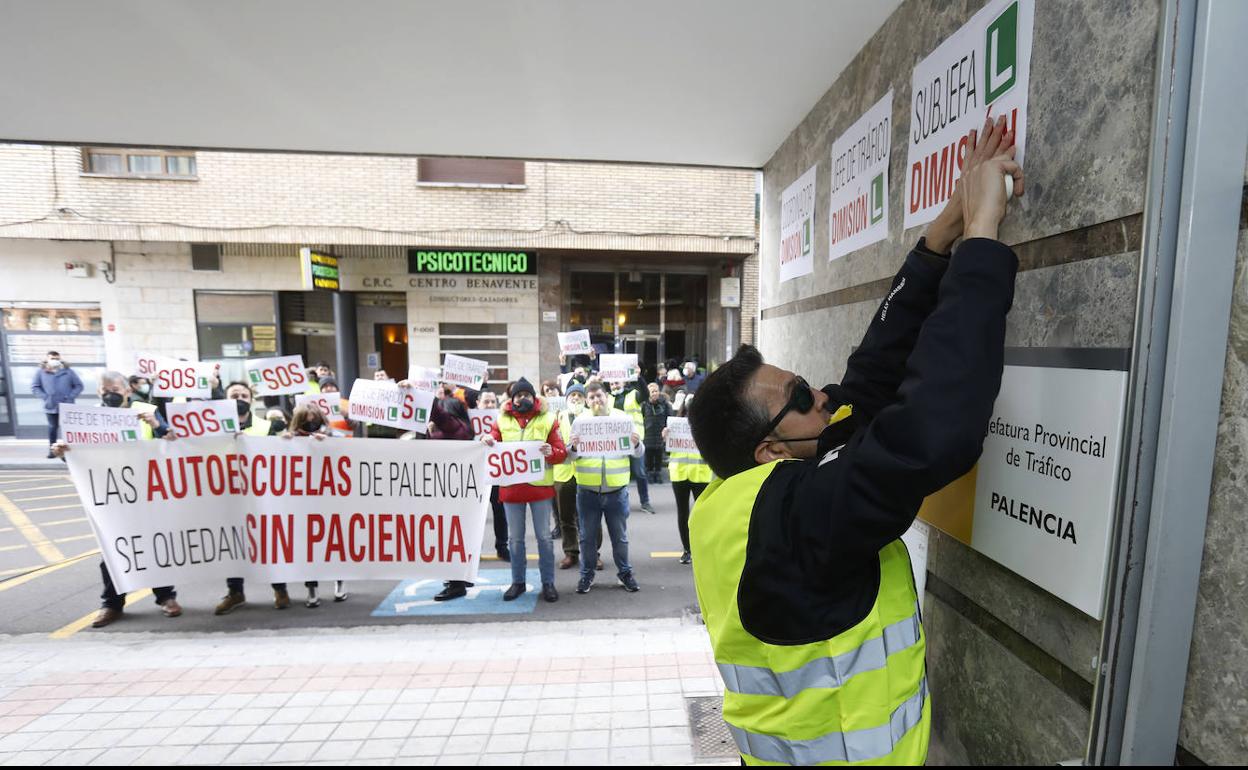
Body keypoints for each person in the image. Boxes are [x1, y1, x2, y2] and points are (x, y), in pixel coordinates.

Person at [686, 117, 1022, 765]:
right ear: (770, 450)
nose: (823, 396)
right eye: (802, 396)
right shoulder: (795, 518)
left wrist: (939, 240)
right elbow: (931, 431)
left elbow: (863, 388)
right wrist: (984, 241)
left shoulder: (738, 505)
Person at [51, 371, 180, 627]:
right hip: (111, 496)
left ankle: (166, 597)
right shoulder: (87, 419)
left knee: (153, 545)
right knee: (112, 551)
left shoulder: (147, 412)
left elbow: (173, 442)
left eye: (115, 389)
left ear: (128, 391)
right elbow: (79, 458)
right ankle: (112, 604)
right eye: (105, 389)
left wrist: (157, 425)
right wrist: (62, 452)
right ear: (98, 392)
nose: (110, 393)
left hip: (146, 494)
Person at [482, 378, 567, 603]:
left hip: (539, 489)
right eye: (518, 395)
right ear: (512, 399)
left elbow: (561, 452)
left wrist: (551, 451)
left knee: (544, 539)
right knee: (515, 540)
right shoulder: (501, 420)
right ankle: (517, 582)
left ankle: (548, 583)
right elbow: (492, 441)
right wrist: (488, 440)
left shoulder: (549, 419)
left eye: (526, 395)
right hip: (511, 490)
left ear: (534, 397)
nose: (523, 398)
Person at [215, 381, 286, 614]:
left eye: (244, 395)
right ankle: (235, 592)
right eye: (234, 394)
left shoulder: (267, 426)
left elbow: (285, 452)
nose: (239, 398)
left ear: (251, 399)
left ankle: (280, 589)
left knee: (268, 542)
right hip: (226, 494)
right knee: (232, 544)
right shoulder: (211, 427)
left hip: (260, 496)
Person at [569, 381, 644, 594]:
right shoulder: (580, 421)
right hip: (587, 491)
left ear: (606, 396)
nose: (596, 400)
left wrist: (636, 443)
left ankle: (625, 573)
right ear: (587, 400)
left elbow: (639, 453)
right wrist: (573, 447)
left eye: (599, 396)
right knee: (587, 538)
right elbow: (571, 456)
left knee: (619, 537)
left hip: (616, 491)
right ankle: (587, 576)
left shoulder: (622, 418)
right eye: (591, 397)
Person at [273, 405, 345, 607]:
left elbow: (347, 449)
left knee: (334, 543)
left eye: (314, 419)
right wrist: (284, 443)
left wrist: (329, 442)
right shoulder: (290, 438)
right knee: (308, 547)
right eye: (306, 420)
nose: (310, 423)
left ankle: (340, 583)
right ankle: (311, 588)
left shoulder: (331, 434)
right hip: (303, 501)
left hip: (329, 498)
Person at [422, 396, 478, 602]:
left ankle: (456, 584)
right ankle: (460, 578)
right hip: (447, 487)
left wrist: (422, 396)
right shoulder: (451, 429)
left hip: (451, 490)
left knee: (451, 535)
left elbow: (439, 415)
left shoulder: (455, 427)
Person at [663, 395, 710, 565]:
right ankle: (687, 549)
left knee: (703, 514)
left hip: (700, 473)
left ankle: (702, 547)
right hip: (680, 473)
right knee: (683, 513)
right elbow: (669, 451)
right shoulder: (676, 425)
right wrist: (666, 437)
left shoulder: (706, 425)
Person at [477, 390, 510, 562]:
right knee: (475, 515)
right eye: (486, 402)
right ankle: (475, 549)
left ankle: (502, 547)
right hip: (476, 475)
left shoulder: (502, 421)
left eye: (492, 402)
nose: (489, 405)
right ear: (478, 403)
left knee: (500, 513)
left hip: (496, 473)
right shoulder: (469, 421)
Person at [612, 375, 653, 513]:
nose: (614, 385)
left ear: (624, 382)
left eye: (616, 382)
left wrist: (639, 377)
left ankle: (645, 502)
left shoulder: (633, 394)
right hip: (616, 444)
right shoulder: (607, 398)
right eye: (611, 384)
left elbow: (646, 394)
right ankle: (620, 502)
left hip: (634, 440)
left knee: (640, 473)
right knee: (618, 474)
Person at [31, 351, 83, 458]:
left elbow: (78, 386)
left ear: (60, 359)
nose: (54, 360)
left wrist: (70, 396)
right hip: (50, 405)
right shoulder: (41, 372)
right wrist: (45, 397)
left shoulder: (68, 372)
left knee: (68, 429)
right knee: (52, 428)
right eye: (52, 358)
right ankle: (53, 451)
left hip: (66, 405)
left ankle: (69, 452)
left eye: (56, 358)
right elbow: (35, 387)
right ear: (47, 359)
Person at [641, 382, 672, 485]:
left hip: (660, 433)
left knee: (659, 454)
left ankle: (657, 474)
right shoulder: (644, 404)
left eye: (656, 391)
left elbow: (669, 417)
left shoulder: (665, 404)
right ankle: (649, 474)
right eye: (652, 391)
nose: (654, 393)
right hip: (648, 433)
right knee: (649, 455)